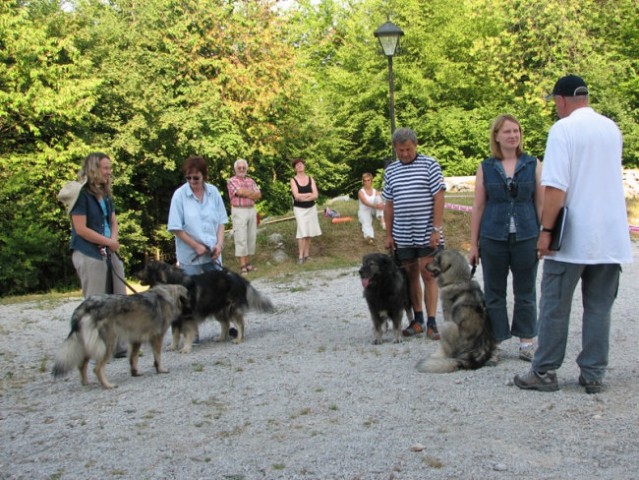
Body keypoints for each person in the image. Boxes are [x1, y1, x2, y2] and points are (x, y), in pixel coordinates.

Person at [514, 75, 633, 393]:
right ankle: (593, 374)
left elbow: (555, 187)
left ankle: (544, 372)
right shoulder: (611, 128)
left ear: (562, 100)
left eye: (555, 102)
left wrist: (546, 232)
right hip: (609, 234)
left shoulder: (563, 130)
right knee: (599, 308)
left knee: (555, 305)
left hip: (571, 236)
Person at [468, 114, 543, 362]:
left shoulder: (533, 164)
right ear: (497, 136)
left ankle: (526, 342)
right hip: (493, 236)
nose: (513, 135)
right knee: (494, 292)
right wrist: (473, 244)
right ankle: (496, 341)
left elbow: (539, 203)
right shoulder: (486, 167)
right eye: (507, 131)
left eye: (516, 131)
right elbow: (478, 206)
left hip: (526, 235)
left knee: (525, 290)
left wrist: (544, 235)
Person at [63, 152, 128, 358]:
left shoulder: (106, 195)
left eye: (109, 168)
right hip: (89, 252)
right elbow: (80, 229)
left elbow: (113, 221)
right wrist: (107, 241)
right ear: (94, 169)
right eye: (105, 168)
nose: (109, 172)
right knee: (96, 301)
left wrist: (113, 242)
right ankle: (94, 348)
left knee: (118, 297)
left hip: (108, 251)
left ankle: (118, 345)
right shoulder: (82, 196)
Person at [382, 128, 445, 340]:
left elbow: (439, 197)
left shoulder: (430, 165)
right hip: (403, 232)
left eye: (408, 149)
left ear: (415, 146)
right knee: (410, 275)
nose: (405, 154)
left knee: (429, 274)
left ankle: (432, 322)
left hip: (427, 231)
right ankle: (417, 320)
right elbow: (388, 205)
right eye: (400, 151)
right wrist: (388, 234)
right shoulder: (391, 171)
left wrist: (436, 229)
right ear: (395, 149)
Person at [168, 155, 228, 276]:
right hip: (190, 259)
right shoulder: (179, 195)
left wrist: (219, 245)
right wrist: (196, 246)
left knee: (217, 293)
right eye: (188, 177)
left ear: (204, 176)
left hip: (212, 257)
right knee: (193, 293)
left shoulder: (214, 192)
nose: (191, 181)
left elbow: (221, 221)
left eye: (196, 178)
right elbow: (175, 227)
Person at [227, 158, 261, 275]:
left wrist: (247, 193)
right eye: (239, 167)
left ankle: (248, 263)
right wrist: (251, 194)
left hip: (251, 210)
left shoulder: (251, 180)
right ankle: (242, 265)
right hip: (239, 210)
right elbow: (239, 192)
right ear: (235, 169)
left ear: (246, 168)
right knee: (241, 237)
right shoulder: (231, 180)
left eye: (243, 167)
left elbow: (259, 194)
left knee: (250, 237)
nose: (241, 169)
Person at [290, 158, 321, 264]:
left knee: (309, 231)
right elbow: (296, 196)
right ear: (295, 168)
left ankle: (307, 255)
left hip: (311, 208)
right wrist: (309, 195)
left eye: (301, 164)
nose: (299, 166)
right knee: (302, 231)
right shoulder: (293, 180)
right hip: (299, 209)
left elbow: (316, 195)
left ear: (304, 166)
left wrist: (306, 197)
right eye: (297, 165)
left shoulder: (311, 179)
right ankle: (300, 257)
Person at [357, 172, 386, 244]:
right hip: (365, 210)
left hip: (374, 210)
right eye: (365, 180)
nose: (366, 182)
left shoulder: (375, 191)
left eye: (368, 180)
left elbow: (381, 200)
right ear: (363, 182)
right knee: (366, 222)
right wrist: (376, 206)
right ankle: (369, 237)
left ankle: (382, 220)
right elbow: (365, 202)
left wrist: (381, 204)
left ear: (371, 181)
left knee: (379, 197)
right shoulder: (361, 191)